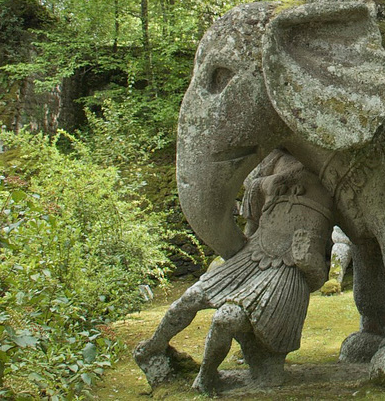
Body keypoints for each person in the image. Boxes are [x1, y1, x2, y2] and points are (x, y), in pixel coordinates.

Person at [134, 150, 334, 394]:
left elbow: (318, 275)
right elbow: (251, 221)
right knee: (191, 297)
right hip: (252, 255)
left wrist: (306, 261)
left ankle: (207, 376)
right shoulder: (276, 165)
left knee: (225, 319)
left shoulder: (333, 187)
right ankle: (153, 347)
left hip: (283, 274)